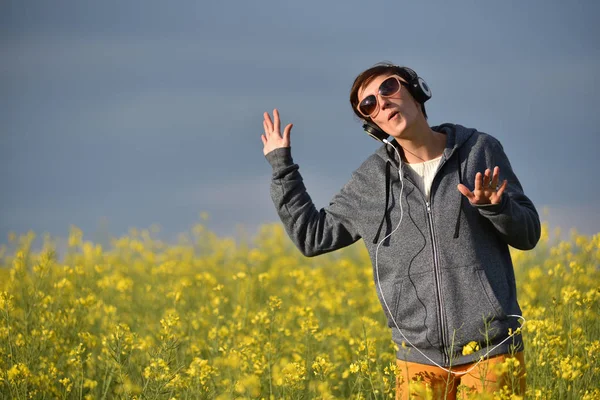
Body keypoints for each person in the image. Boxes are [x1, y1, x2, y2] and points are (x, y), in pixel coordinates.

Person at [260, 62, 540, 399]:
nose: (383, 102)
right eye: (369, 105)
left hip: (492, 351)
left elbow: (528, 234)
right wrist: (281, 166)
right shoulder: (371, 182)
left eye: (389, 88)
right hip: (417, 360)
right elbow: (312, 237)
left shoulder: (478, 150)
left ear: (415, 90)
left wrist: (496, 207)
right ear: (372, 124)